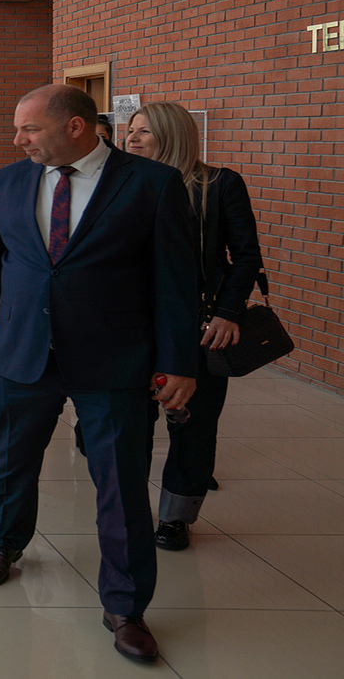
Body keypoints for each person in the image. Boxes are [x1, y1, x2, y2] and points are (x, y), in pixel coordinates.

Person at [0, 84, 198, 664]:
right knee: (13, 460)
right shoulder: (8, 181)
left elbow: (176, 281)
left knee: (121, 483)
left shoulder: (152, 183)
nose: (19, 140)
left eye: (30, 129)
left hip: (114, 358)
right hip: (22, 351)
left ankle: (126, 606)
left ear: (75, 127)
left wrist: (178, 362)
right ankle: (4, 543)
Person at [126, 101, 262, 551]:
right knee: (130, 424)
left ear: (173, 135)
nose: (132, 138)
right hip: (132, 325)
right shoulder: (121, 184)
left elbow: (246, 257)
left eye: (144, 131)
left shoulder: (219, 185)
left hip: (199, 325)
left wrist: (227, 311)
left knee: (194, 426)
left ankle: (176, 517)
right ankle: (127, 509)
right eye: (131, 130)